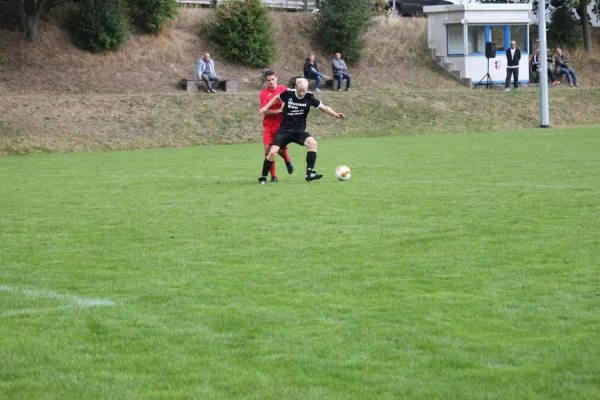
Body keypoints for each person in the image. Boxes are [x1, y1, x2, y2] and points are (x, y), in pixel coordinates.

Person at [257, 78, 345, 184]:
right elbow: (276, 98)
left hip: (299, 131)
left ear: (307, 89)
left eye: (304, 90)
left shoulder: (309, 96)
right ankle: (263, 177)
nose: (302, 93)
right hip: (284, 130)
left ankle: (309, 173)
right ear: (295, 88)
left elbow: (324, 108)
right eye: (300, 91)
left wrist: (335, 114)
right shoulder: (288, 93)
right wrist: (265, 108)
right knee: (272, 152)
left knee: (313, 144)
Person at [259, 70, 294, 183]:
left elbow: (289, 102)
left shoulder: (283, 90)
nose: (271, 82)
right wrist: (277, 111)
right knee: (268, 149)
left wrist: (284, 108)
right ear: (266, 81)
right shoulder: (264, 94)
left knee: (279, 151)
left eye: (273, 79)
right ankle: (274, 176)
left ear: (277, 78)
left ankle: (287, 160)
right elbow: (265, 111)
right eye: (268, 80)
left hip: (282, 126)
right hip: (269, 126)